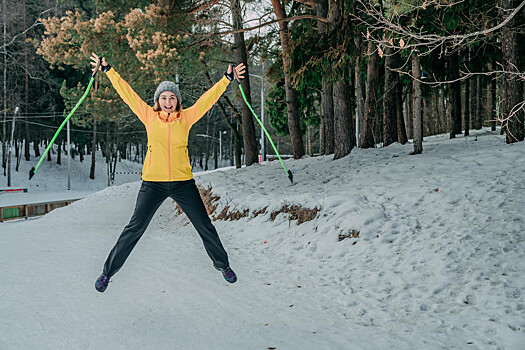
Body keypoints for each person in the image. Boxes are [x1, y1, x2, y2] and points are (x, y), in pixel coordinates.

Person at [90, 53, 245, 293]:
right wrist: (108, 70)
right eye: (164, 97)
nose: (168, 101)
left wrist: (227, 78)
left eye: (172, 97)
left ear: (177, 100)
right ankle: (107, 273)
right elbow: (127, 93)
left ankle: (222, 265)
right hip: (153, 184)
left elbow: (207, 100)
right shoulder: (149, 117)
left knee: (204, 225)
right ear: (158, 100)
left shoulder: (186, 118)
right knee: (135, 228)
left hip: (183, 184)